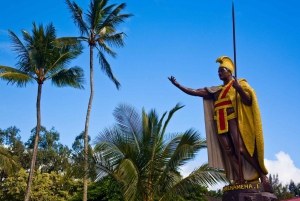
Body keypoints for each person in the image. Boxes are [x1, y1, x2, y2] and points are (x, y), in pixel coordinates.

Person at [168, 56, 269, 184]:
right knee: (229, 151)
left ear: (230, 71)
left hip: (232, 119)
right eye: (218, 71)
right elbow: (195, 92)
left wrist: (239, 89)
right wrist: (178, 85)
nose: (219, 73)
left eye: (222, 70)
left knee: (241, 149)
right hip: (220, 122)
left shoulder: (239, 84)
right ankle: (240, 177)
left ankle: (262, 174)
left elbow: (249, 100)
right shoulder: (216, 91)